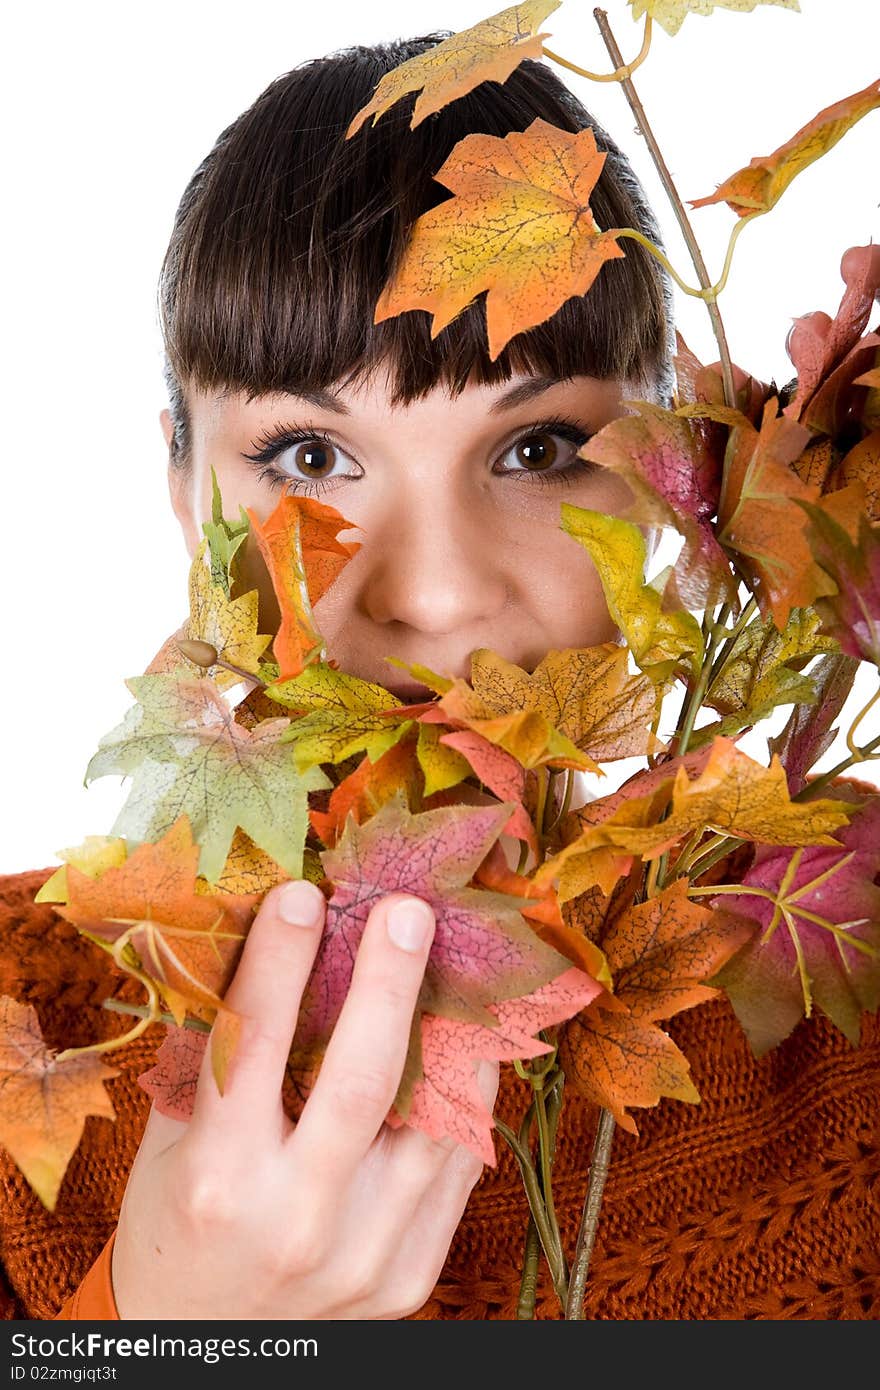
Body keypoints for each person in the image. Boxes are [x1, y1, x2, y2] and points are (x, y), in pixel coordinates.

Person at [1, 33, 877, 1322]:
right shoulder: (29, 1021)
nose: (437, 592)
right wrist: (173, 1331)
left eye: (535, 450)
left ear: (679, 488)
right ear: (188, 501)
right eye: (308, 457)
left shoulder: (836, 992)